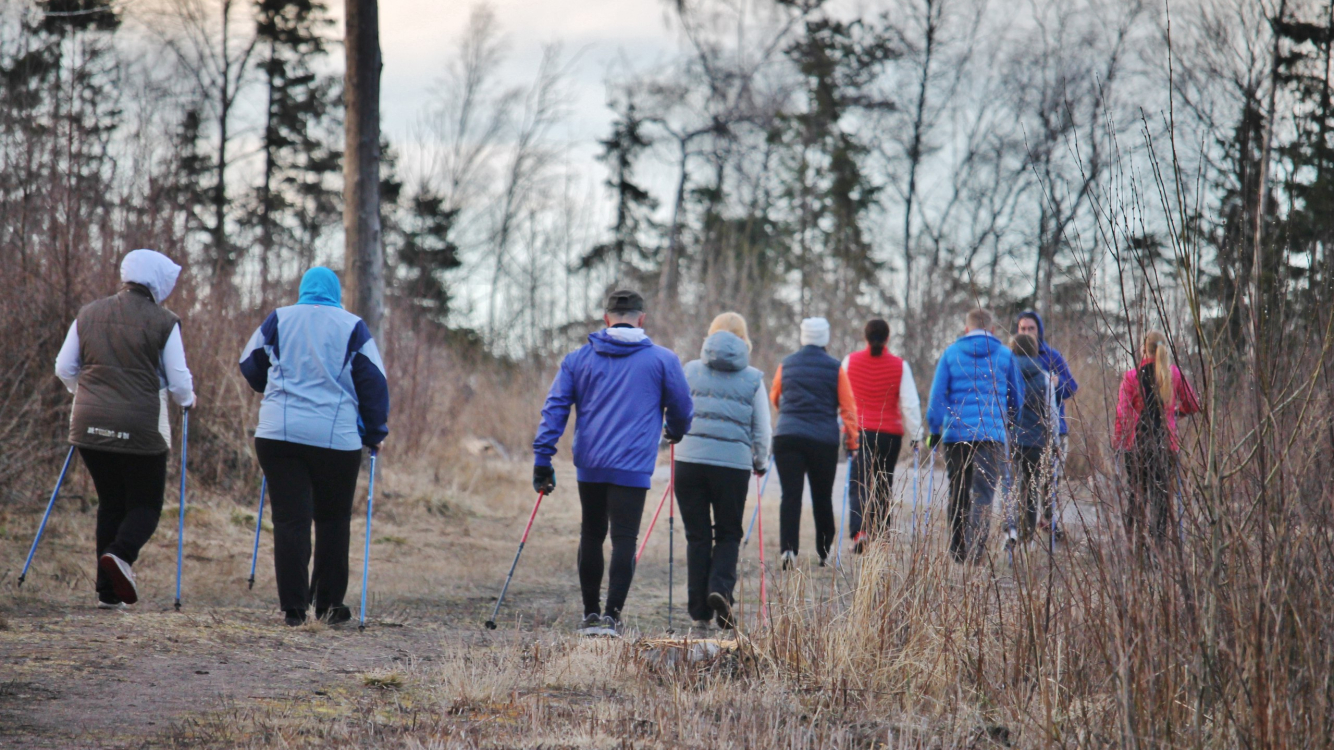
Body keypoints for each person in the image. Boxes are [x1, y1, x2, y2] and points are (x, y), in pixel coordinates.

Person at [533, 290, 693, 636]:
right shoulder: (663, 360)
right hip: (633, 465)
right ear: (642, 319)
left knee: (591, 533)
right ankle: (612, 617)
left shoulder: (578, 359)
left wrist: (543, 457)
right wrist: (675, 431)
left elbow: (555, 407)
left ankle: (590, 615)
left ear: (606, 319)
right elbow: (682, 407)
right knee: (624, 539)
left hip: (590, 463)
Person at [238, 267, 389, 627]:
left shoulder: (279, 319)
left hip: (278, 435)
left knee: (290, 519)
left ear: (304, 290)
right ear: (336, 293)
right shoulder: (353, 326)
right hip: (335, 439)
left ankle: (293, 608)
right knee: (333, 519)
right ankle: (328, 605)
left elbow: (250, 365)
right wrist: (374, 432)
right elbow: (374, 383)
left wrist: (271, 387)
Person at [54, 249, 197, 609]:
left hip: (88, 425)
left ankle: (108, 592)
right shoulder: (164, 321)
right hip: (140, 427)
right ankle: (120, 555)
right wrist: (189, 400)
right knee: (146, 505)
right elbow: (178, 380)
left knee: (112, 503)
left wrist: (83, 395)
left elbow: (63, 367)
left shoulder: (88, 313)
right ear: (158, 281)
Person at [674, 313, 771, 632]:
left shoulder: (689, 370)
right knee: (728, 532)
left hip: (689, 462)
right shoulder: (754, 378)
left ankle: (700, 612)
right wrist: (761, 461)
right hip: (732, 466)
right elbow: (762, 429)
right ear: (744, 340)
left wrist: (672, 438)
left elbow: (676, 411)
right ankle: (720, 589)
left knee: (697, 536)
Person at [926, 308, 1024, 563]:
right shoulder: (1005, 355)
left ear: (966, 329)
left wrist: (934, 430)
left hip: (956, 435)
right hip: (991, 435)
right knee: (983, 494)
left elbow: (937, 396)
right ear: (992, 330)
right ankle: (975, 551)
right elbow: (1016, 396)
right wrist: (1010, 423)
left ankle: (958, 551)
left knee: (958, 491)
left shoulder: (951, 353)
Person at [770, 317, 859, 569]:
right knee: (822, 496)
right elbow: (848, 407)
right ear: (825, 338)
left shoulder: (786, 364)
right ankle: (824, 551)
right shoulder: (835, 368)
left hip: (787, 437)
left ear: (802, 337)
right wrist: (852, 441)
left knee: (790, 495)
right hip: (823, 440)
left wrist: (787, 416)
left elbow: (776, 396)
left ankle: (788, 551)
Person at [841, 319, 923, 553]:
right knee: (882, 483)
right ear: (888, 338)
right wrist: (916, 434)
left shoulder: (850, 361)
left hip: (859, 431)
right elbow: (909, 403)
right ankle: (881, 535)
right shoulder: (900, 366)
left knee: (859, 482)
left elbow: (843, 396)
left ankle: (860, 532)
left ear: (865, 337)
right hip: (889, 434)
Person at [1113, 331, 1199, 543]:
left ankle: (1133, 546)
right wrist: (1177, 413)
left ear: (1143, 349)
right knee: (1161, 501)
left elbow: (1122, 414)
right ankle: (1158, 550)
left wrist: (1118, 443)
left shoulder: (1131, 376)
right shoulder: (1174, 375)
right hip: (1166, 446)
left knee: (1136, 497)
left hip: (1136, 446)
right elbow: (1194, 404)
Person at [1014, 311, 1077, 536]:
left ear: (1039, 330)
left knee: (1051, 481)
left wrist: (1057, 384)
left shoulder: (1052, 356)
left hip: (1054, 429)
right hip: (1021, 432)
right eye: (1023, 328)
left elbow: (1072, 387)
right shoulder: (1011, 358)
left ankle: (1049, 521)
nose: (1027, 332)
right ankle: (1023, 527)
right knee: (1023, 484)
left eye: (1031, 328)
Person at [1003, 333, 1059, 549]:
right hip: (1037, 442)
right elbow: (1051, 413)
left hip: (1011, 440)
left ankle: (1010, 532)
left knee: (1010, 487)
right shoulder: (1045, 377)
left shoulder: (1005, 373)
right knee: (1032, 488)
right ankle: (1027, 536)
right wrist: (1054, 442)